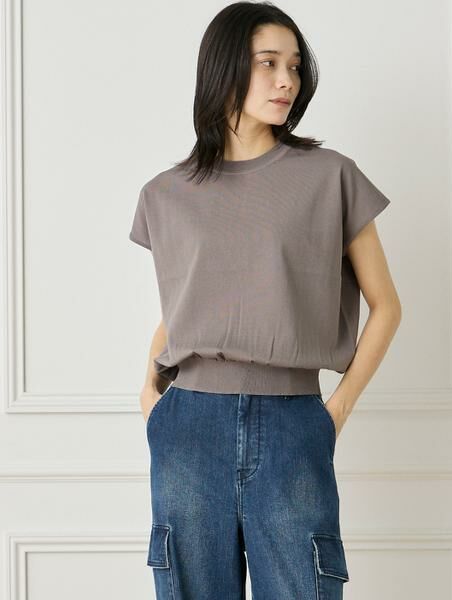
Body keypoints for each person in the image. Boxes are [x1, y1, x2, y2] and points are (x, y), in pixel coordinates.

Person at [129, 2, 402, 599]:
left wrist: (337, 410)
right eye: (268, 63)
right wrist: (149, 392)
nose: (287, 81)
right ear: (224, 68)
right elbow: (184, 304)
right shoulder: (166, 193)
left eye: (295, 67)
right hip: (188, 424)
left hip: (292, 422)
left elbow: (387, 305)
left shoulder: (329, 176)